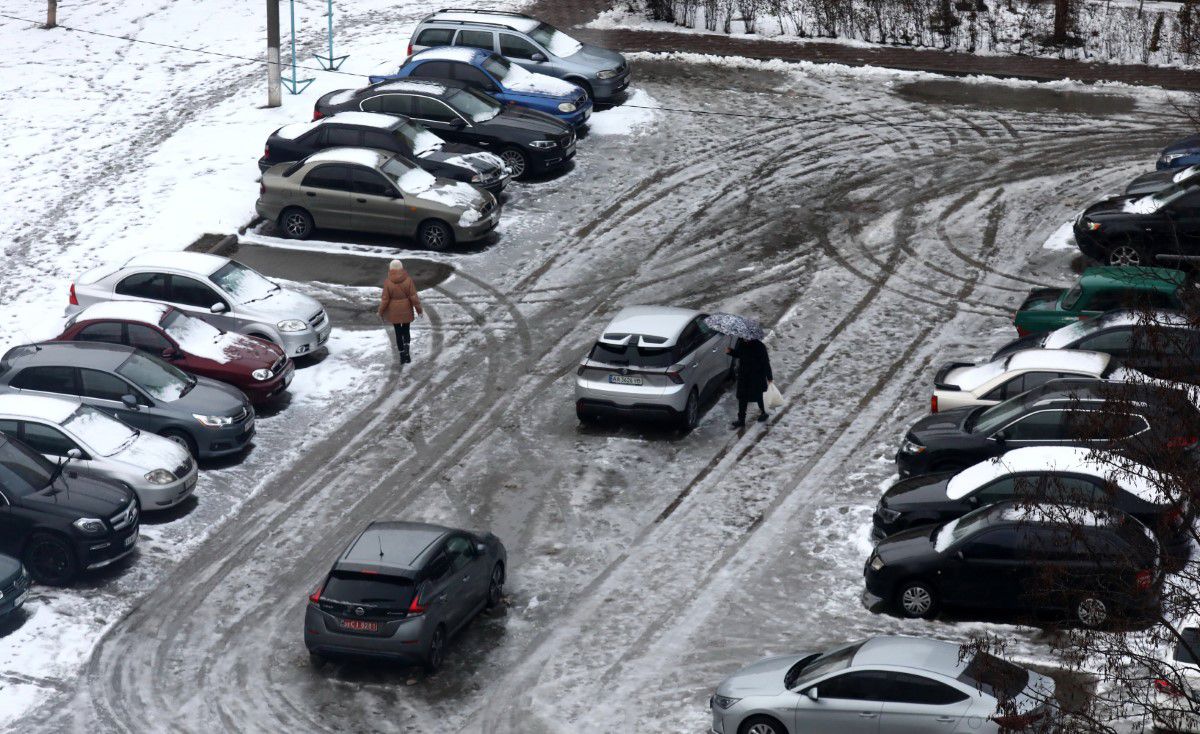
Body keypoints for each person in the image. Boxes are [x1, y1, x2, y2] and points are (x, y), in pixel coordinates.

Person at [378, 259, 423, 364]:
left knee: (398, 333)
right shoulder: (408, 280)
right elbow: (414, 297)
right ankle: (407, 351)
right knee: (406, 330)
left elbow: (385, 299)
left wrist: (380, 312)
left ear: (391, 269)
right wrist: (419, 310)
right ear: (401, 268)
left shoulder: (388, 282)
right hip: (407, 309)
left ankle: (402, 355)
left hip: (394, 312)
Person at [728, 337, 772, 428]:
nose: (745, 339)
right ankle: (741, 420)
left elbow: (765, 362)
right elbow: (740, 354)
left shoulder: (760, 346)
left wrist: (769, 377)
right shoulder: (741, 343)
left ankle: (764, 412)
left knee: (759, 396)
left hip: (756, 377)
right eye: (744, 337)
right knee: (742, 398)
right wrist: (730, 352)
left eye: (747, 338)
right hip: (744, 376)